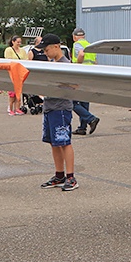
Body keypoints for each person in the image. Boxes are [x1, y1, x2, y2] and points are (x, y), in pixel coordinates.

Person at [36, 34, 79, 191]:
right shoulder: (53, 64)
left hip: (61, 108)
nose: (45, 53)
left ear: (56, 46)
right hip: (49, 107)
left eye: (47, 50)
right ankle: (59, 175)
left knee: (64, 141)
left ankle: (71, 177)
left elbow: (72, 86)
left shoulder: (65, 65)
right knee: (54, 143)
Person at [71, 27, 100, 135]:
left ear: (74, 36)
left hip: (80, 74)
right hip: (90, 75)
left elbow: (81, 55)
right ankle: (82, 128)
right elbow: (95, 61)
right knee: (84, 101)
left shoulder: (77, 44)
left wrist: (78, 65)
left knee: (72, 102)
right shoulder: (89, 44)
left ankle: (91, 119)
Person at [3, 35, 27, 115]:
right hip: (12, 72)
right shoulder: (9, 50)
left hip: (20, 73)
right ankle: (10, 109)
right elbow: (8, 60)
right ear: (13, 42)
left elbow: (25, 60)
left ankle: (17, 108)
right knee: (12, 93)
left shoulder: (22, 51)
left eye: (20, 42)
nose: (19, 43)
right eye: (18, 42)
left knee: (19, 92)